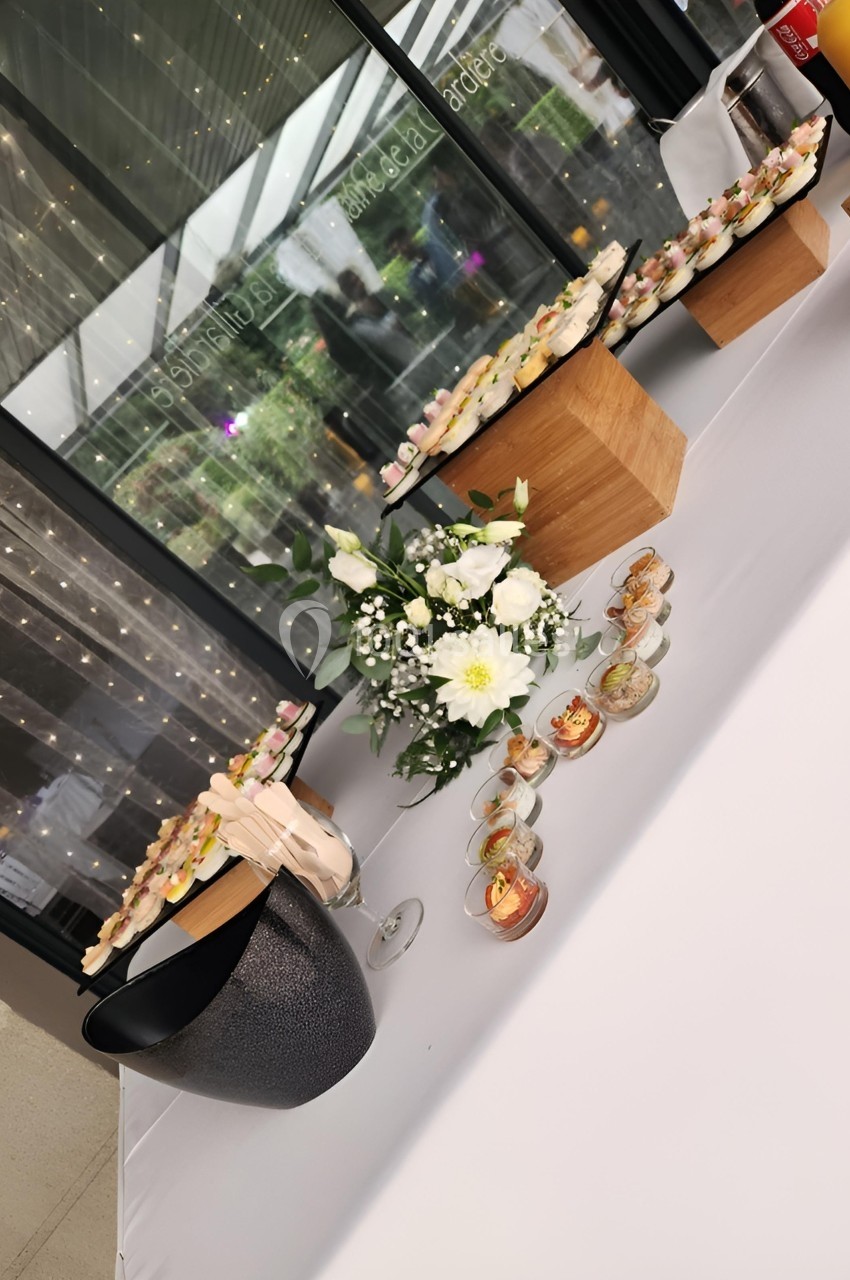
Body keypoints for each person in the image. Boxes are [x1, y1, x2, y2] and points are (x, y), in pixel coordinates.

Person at [336, 268, 418, 377]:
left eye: (358, 279)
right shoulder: (358, 322)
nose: (361, 283)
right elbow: (380, 337)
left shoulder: (383, 296)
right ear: (348, 292)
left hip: (415, 348)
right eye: (354, 284)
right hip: (400, 365)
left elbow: (411, 309)